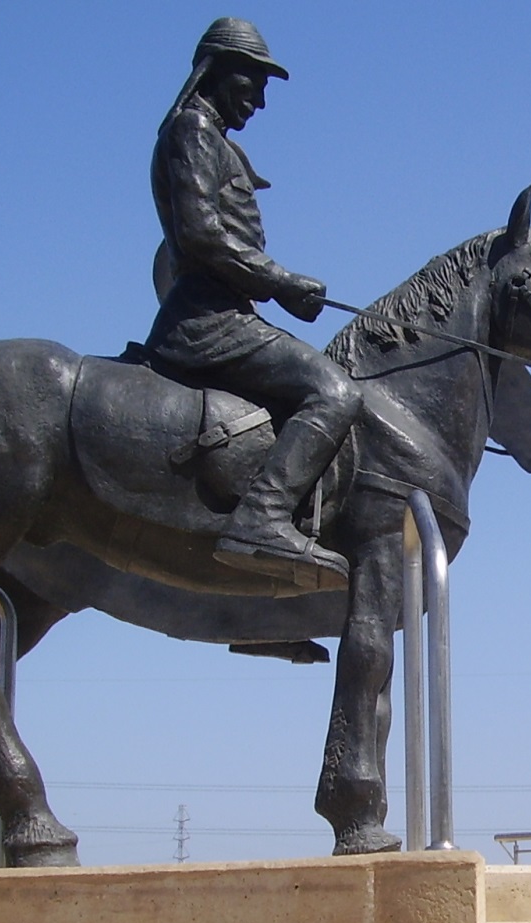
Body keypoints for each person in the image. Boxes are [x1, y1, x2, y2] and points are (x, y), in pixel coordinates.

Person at [146, 17, 360, 587]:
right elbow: (199, 235)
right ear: (217, 72)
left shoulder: (215, 143)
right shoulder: (192, 130)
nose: (260, 100)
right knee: (334, 391)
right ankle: (262, 516)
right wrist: (282, 282)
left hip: (229, 312)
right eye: (253, 82)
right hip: (206, 320)